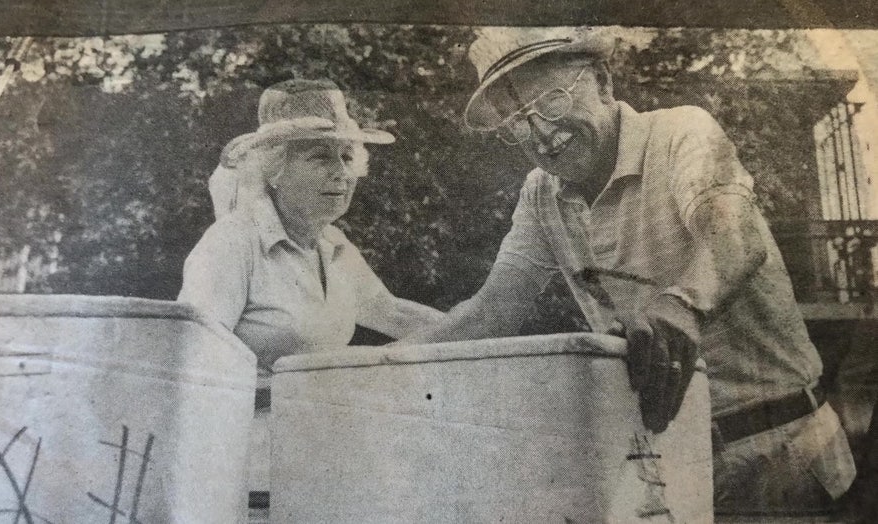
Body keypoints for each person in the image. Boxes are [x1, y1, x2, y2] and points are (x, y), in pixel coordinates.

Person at [403, 27, 856, 513]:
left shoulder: (683, 131)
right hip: (668, 466)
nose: (540, 134)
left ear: (602, 80)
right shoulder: (540, 194)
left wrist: (680, 305)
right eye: (516, 120)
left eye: (552, 100)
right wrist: (365, 368)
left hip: (783, 451)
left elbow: (734, 236)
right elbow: (491, 311)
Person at [178, 78, 446, 370]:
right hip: (256, 412)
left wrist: (479, 331)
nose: (341, 173)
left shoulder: (333, 243)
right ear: (274, 170)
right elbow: (190, 353)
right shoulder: (232, 243)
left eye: (346, 156)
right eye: (320, 157)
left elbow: (392, 313)